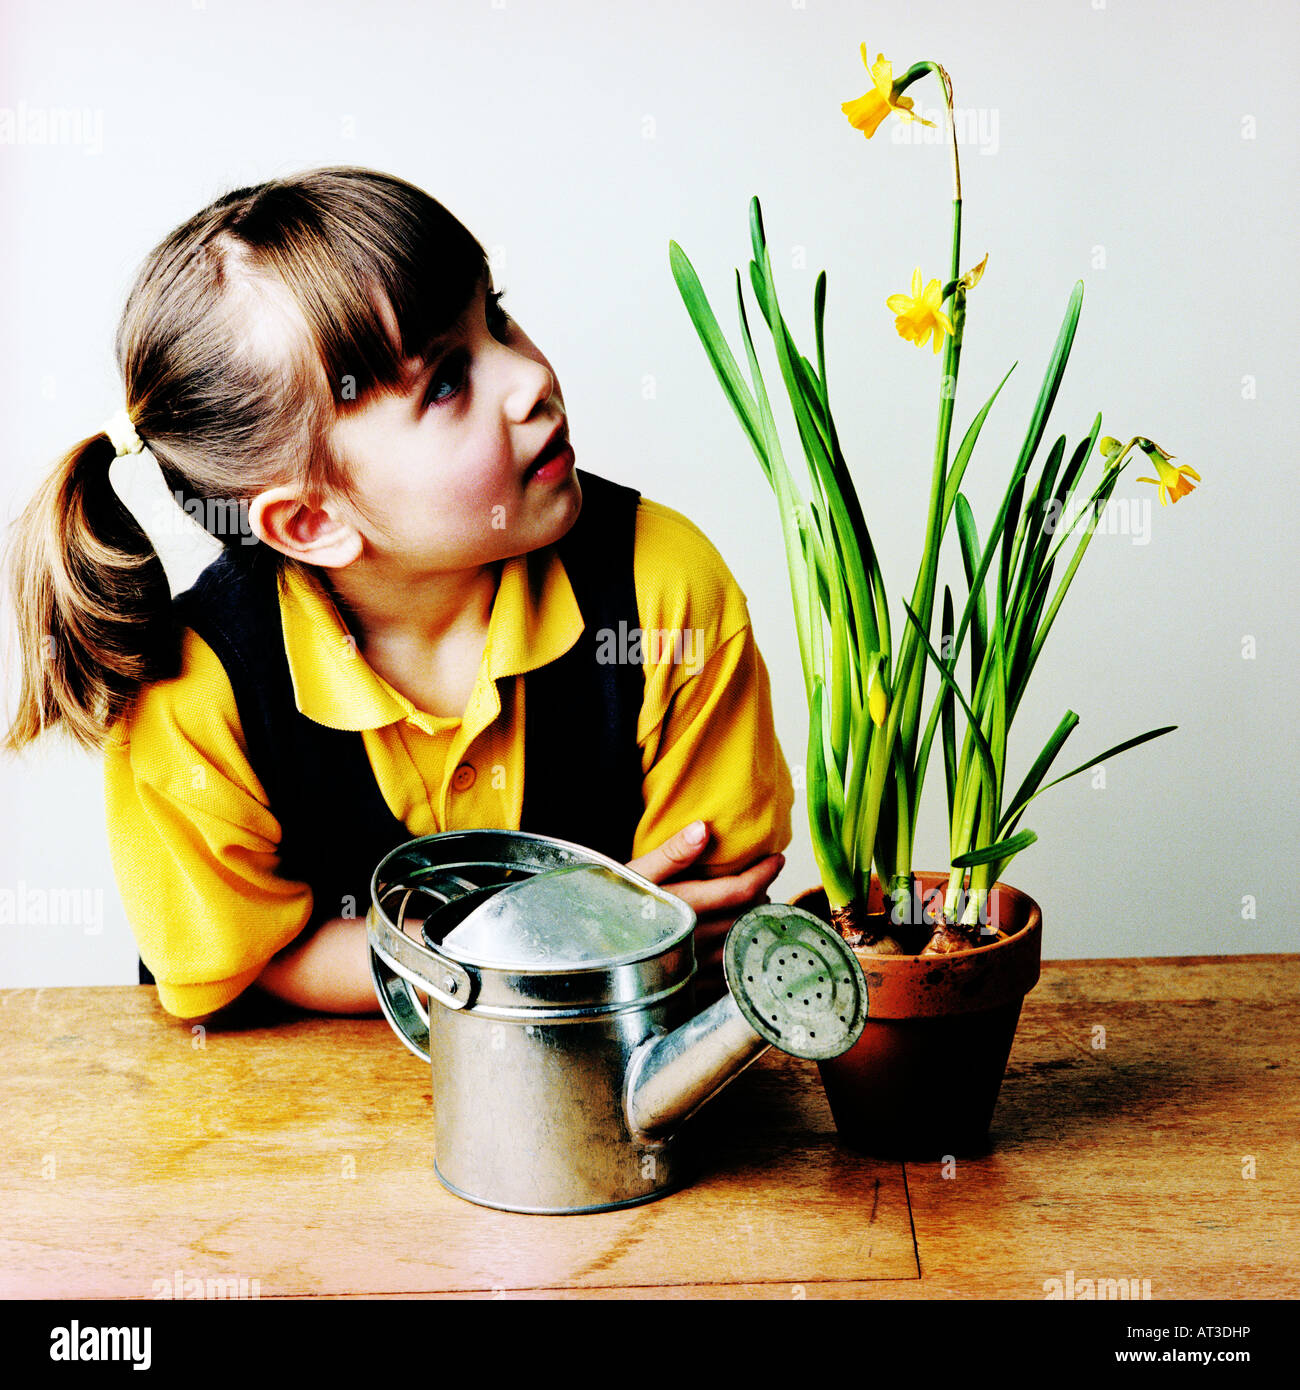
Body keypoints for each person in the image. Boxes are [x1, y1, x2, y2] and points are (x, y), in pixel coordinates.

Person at [1, 166, 793, 1023]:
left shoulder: (663, 587)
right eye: (447, 380)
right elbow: (234, 958)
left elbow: (710, 904)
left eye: (495, 315)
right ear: (309, 521)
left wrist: (569, 938)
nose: (529, 379)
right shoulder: (193, 688)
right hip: (288, 1120)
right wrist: (556, 940)